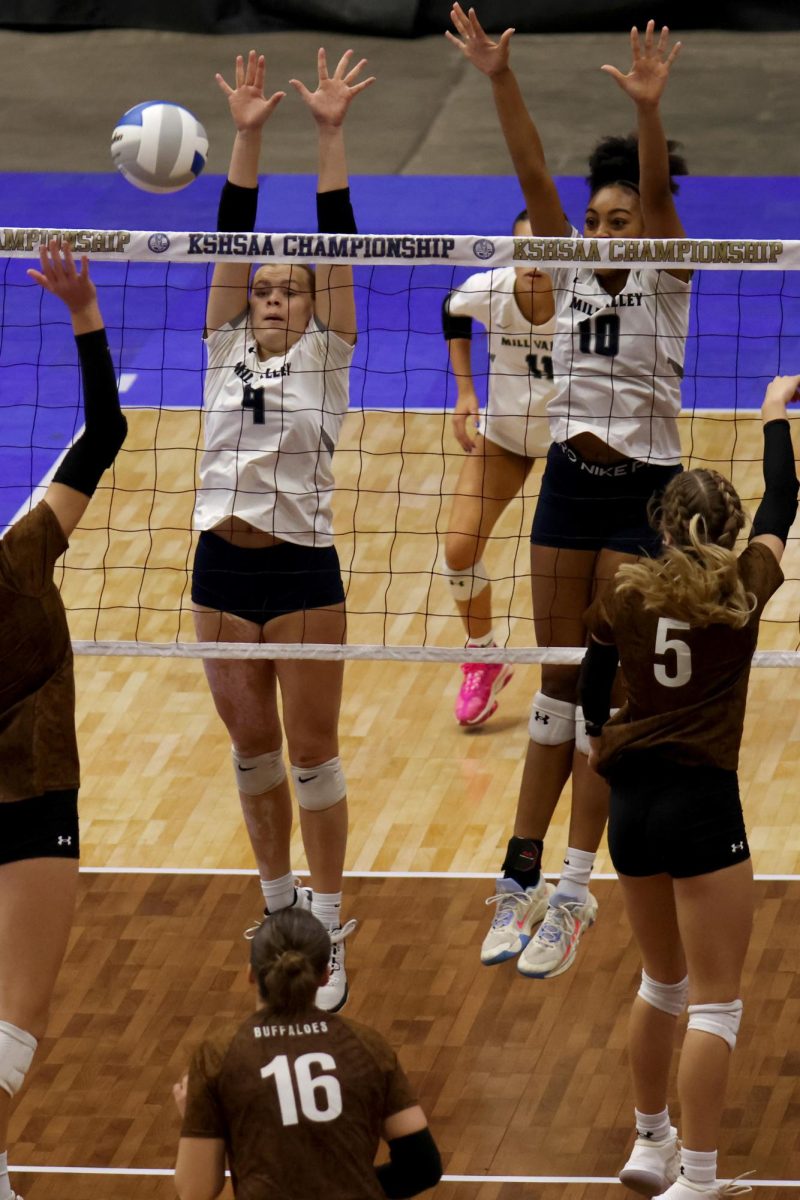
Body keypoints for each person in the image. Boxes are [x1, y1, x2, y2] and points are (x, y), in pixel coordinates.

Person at [447, 7, 692, 978]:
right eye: (592, 219)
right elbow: (531, 178)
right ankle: (516, 876)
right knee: (553, 680)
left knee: (606, 695)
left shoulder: (668, 269)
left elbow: (657, 197)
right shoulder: (568, 263)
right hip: (566, 485)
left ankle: (574, 891)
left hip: (642, 496)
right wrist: (497, 81)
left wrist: (645, 109)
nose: (597, 230)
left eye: (615, 218)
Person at [579, 374, 799, 1199]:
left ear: (660, 528)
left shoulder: (624, 595)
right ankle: (699, 1182)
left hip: (631, 806)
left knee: (659, 984)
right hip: (703, 806)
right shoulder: (743, 588)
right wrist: (775, 411)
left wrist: (615, 744)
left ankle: (649, 1144)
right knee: (716, 1005)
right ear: (730, 531)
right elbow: (787, 495)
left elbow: (591, 703)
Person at [191, 49, 373, 1014]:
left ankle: (330, 918)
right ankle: (275, 908)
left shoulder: (329, 359)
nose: (272, 294)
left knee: (313, 754)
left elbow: (337, 243)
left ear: (311, 306)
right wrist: (247, 134)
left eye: (289, 288)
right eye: (262, 286)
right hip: (219, 569)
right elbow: (231, 234)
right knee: (252, 749)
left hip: (303, 571)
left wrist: (328, 132)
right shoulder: (221, 347)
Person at [0, 240, 127, 1200]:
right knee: (19, 1010)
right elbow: (104, 431)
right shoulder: (22, 556)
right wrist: (84, 314)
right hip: (35, 799)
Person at [172, 906, 443, 1200]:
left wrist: (198, 1119)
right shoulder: (367, 1044)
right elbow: (422, 1166)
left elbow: (195, 1191)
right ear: (326, 975)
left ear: (250, 973)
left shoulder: (218, 1055)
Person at [442, 212, 557, 727]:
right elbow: (451, 310)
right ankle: (484, 655)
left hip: (572, 443)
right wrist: (466, 391)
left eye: (544, 248)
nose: (532, 260)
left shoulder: (585, 294)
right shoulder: (489, 289)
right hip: (505, 436)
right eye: (522, 249)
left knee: (567, 571)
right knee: (459, 550)